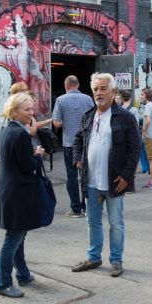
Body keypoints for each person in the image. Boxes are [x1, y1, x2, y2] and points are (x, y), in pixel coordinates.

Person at [71, 73, 140, 277]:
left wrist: (127, 175)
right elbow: (78, 139)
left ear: (113, 92)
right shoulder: (88, 115)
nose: (98, 93)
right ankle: (93, 257)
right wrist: (77, 158)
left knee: (116, 222)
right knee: (92, 221)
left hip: (114, 180)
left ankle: (116, 261)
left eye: (103, 89)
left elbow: (135, 148)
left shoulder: (125, 117)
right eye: (95, 90)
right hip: (90, 180)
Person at [0, 92, 45, 298]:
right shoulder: (21, 134)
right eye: (26, 109)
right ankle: (4, 283)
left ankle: (23, 274)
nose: (31, 113)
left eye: (32, 108)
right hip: (17, 193)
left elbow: (7, 160)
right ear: (14, 111)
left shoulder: (6, 131)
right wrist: (38, 156)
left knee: (19, 236)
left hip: (9, 190)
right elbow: (28, 166)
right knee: (13, 238)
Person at [52, 75, 94, 217]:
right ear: (78, 85)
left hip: (69, 143)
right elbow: (94, 119)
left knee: (72, 176)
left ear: (66, 86)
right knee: (86, 174)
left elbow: (56, 122)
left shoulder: (60, 100)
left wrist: (66, 122)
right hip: (86, 143)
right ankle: (87, 206)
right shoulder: (88, 99)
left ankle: (75, 209)